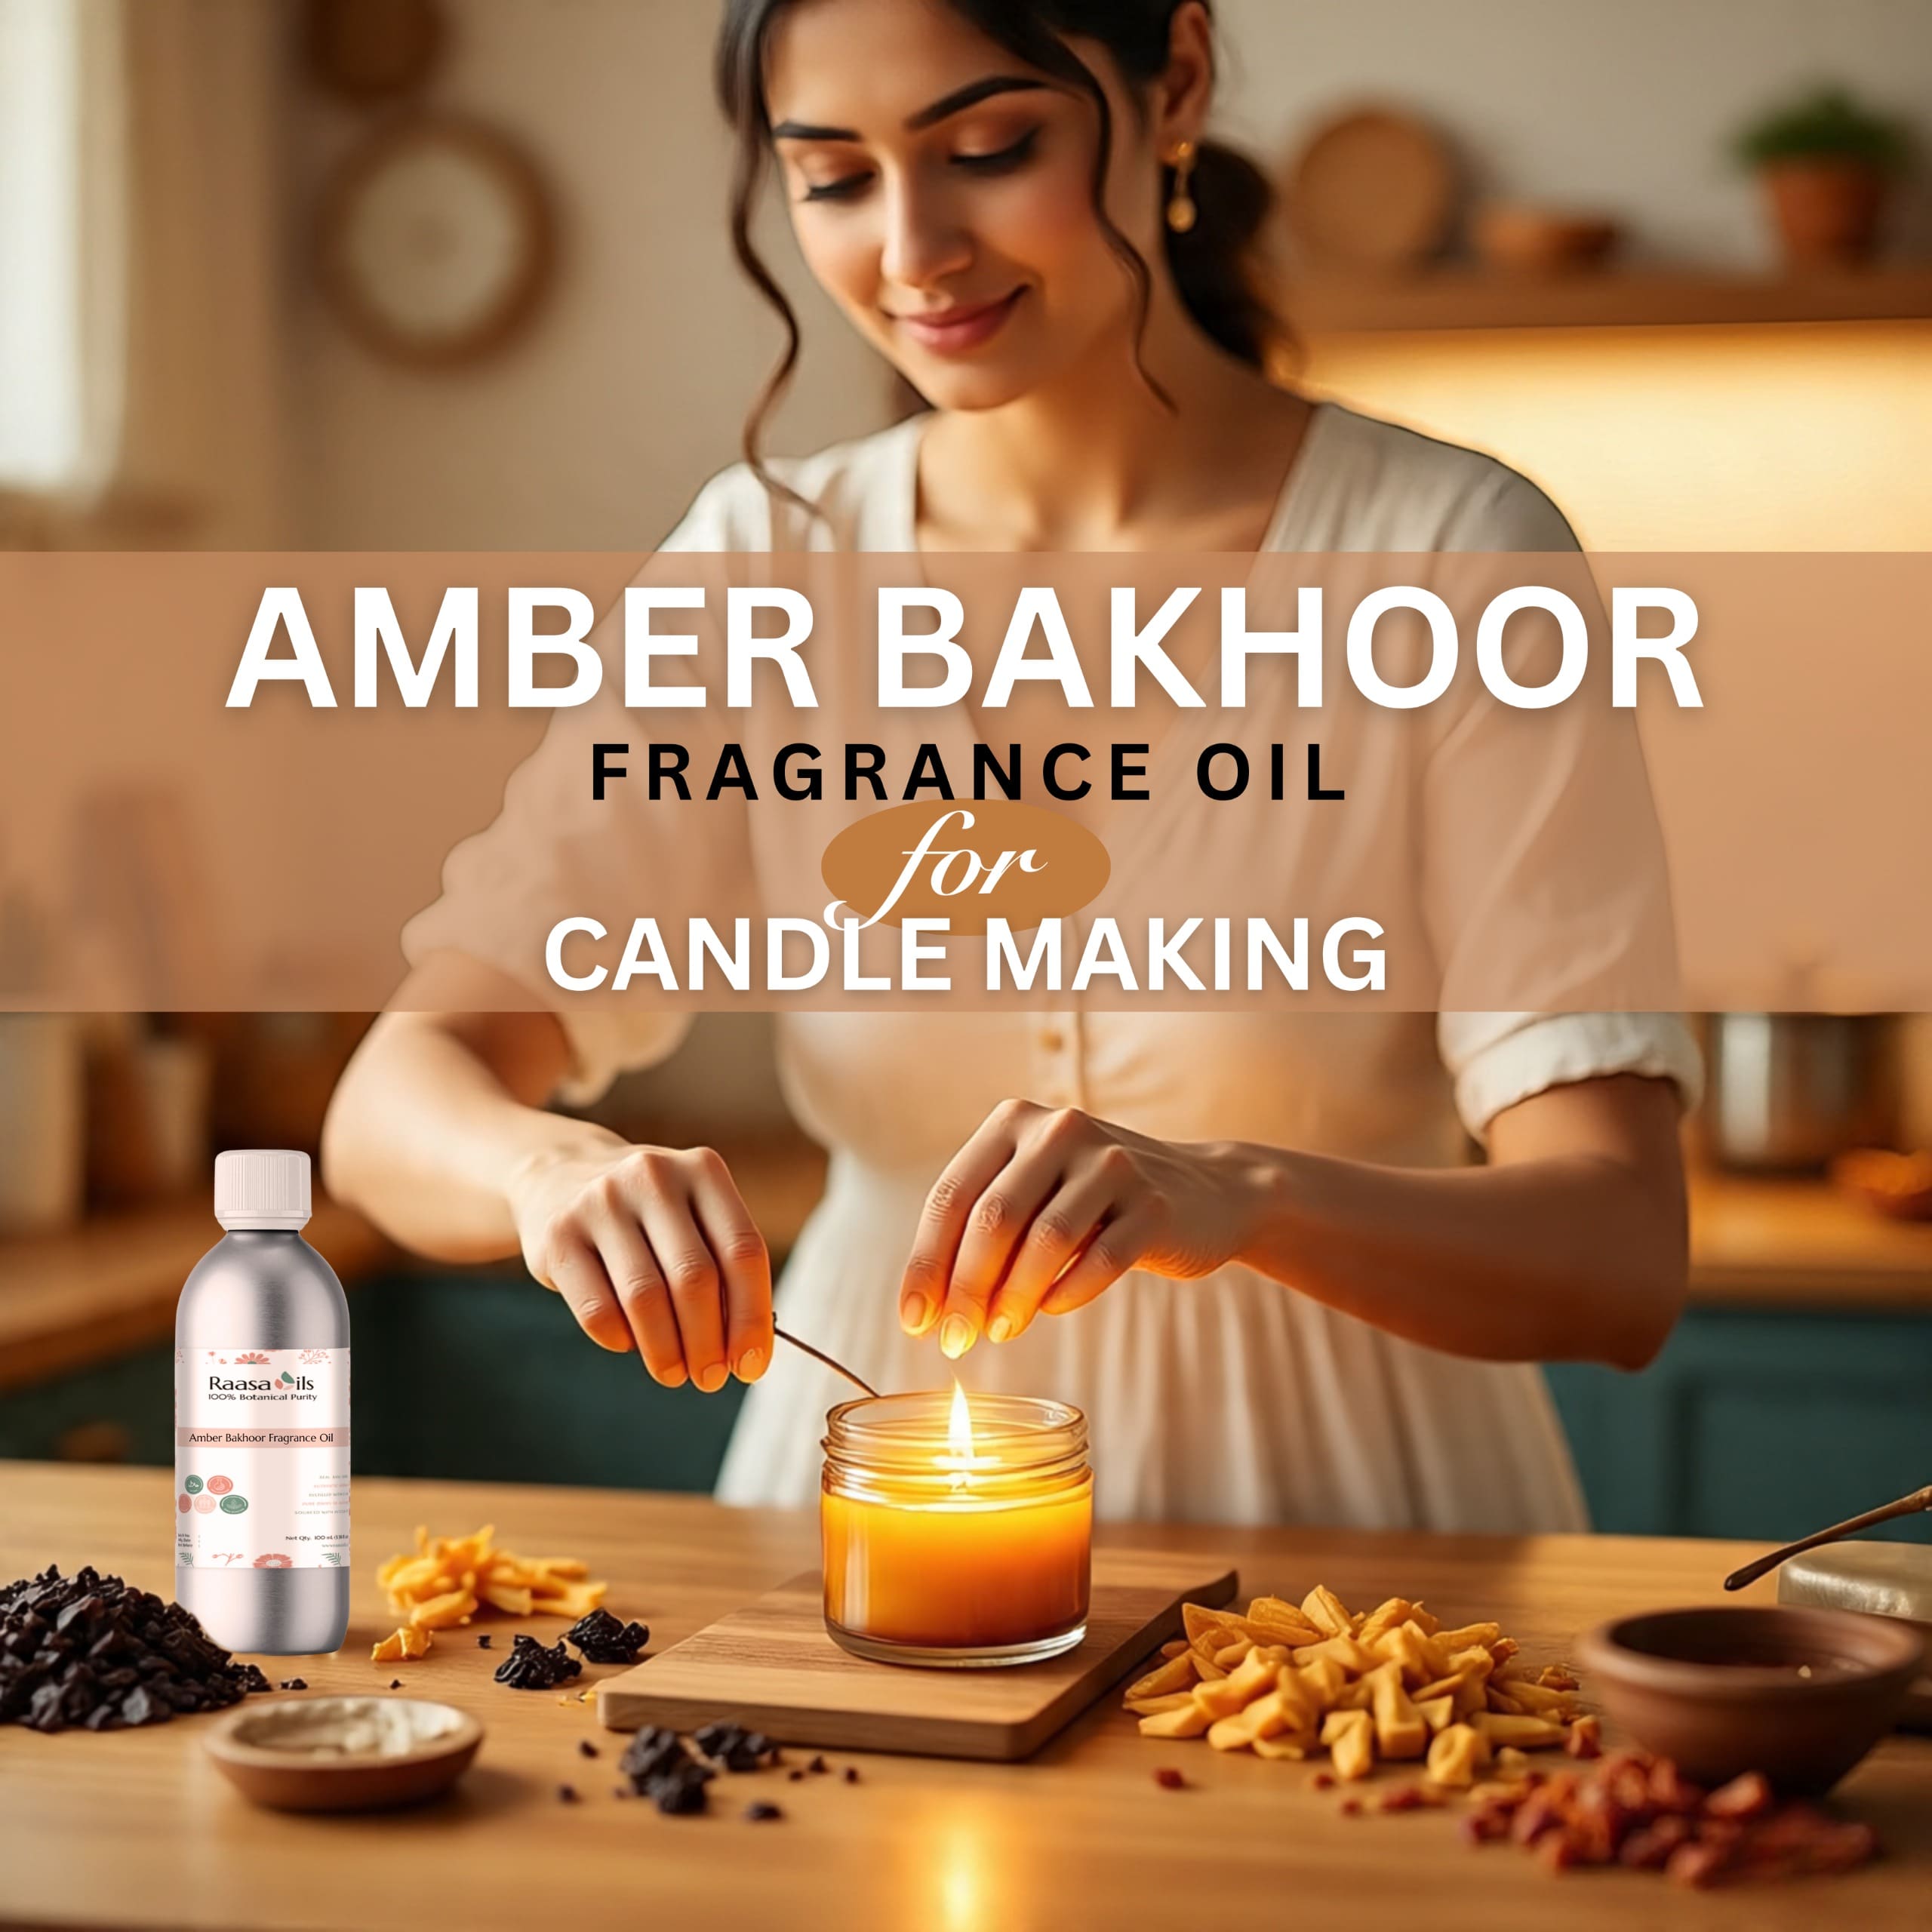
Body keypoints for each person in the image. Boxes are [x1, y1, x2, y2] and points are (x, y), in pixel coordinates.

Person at [321, 0, 1699, 1531]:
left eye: (988, 148)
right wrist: (543, 1172)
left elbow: (1619, 1253)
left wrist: (1244, 1194)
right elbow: (391, 1100)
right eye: (834, 177)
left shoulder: (1450, 557)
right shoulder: (765, 566)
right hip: (856, 1531)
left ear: (1170, 82)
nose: (912, 249)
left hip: (1367, 1544)